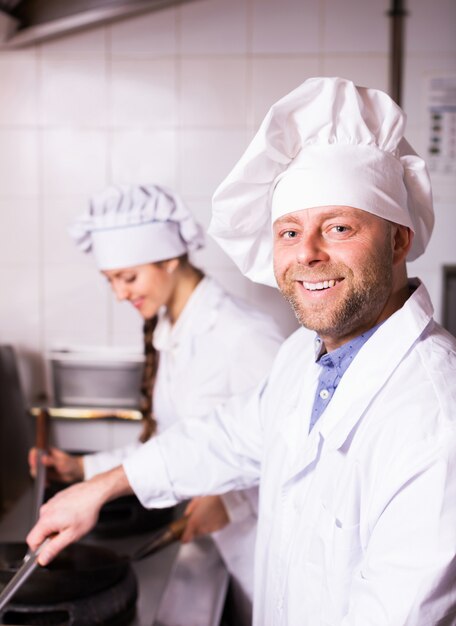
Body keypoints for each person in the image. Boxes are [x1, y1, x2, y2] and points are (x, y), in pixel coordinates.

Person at [28, 78, 456, 625]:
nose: (308, 254)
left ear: (398, 239)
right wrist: (100, 486)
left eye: (340, 226)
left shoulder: (433, 418)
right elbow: (228, 436)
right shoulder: (305, 358)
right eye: (289, 232)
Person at [28, 184, 285, 616]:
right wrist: (81, 468)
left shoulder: (242, 335)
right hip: (232, 552)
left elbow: (292, 444)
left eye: (128, 278)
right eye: (110, 281)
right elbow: (175, 440)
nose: (119, 294)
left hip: (269, 551)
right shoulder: (172, 328)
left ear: (170, 258)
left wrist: (229, 502)